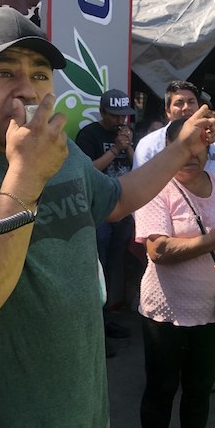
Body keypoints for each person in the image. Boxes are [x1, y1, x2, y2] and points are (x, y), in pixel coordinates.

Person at [0, 6, 215, 428]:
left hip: (83, 417)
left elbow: (116, 200)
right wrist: (25, 176)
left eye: (40, 76)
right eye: (4, 73)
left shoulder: (58, 149)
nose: (26, 89)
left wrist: (181, 151)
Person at [134, 118, 215, 428]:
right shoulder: (155, 187)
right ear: (170, 149)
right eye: (185, 145)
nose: (193, 154)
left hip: (211, 312)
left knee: (199, 393)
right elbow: (158, 249)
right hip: (163, 313)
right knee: (161, 391)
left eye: (200, 145)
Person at [76, 89, 136, 325]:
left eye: (124, 116)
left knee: (115, 264)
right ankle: (94, 320)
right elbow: (87, 171)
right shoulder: (89, 134)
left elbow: (138, 167)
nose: (120, 121)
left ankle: (108, 317)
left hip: (123, 210)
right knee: (97, 265)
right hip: (98, 212)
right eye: (114, 116)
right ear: (102, 112)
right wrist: (115, 150)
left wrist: (128, 146)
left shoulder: (126, 135)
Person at [133, 81, 215, 175]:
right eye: (179, 103)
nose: (186, 108)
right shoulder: (149, 144)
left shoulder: (211, 145)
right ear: (167, 110)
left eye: (191, 102)